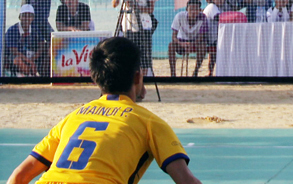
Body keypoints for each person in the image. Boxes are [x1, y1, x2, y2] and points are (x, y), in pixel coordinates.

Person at [7, 37, 202, 184]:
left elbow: (19, 176)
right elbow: (186, 180)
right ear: (137, 77)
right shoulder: (150, 122)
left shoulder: (74, 116)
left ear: (95, 79)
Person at [112, 0, 157, 76]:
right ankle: (130, 81)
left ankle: (142, 81)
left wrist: (136, 6)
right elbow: (114, 3)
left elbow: (151, 9)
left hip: (144, 24)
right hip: (128, 24)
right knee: (129, 56)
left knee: (144, 58)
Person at [25, 0, 63, 76]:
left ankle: (51, 72)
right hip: (33, 24)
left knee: (54, 42)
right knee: (39, 45)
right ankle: (33, 70)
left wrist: (68, 5)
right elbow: (25, 9)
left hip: (44, 23)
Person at [169, 0, 208, 77]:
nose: (193, 12)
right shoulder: (179, 16)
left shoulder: (203, 18)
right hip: (181, 41)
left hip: (196, 41)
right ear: (187, 9)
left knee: (203, 46)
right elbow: (174, 36)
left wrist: (192, 44)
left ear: (200, 10)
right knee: (171, 45)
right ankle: (173, 74)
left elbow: (201, 36)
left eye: (196, 9)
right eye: (191, 9)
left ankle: (196, 71)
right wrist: (181, 44)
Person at [3, 5, 44, 76]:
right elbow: (14, 51)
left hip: (32, 57)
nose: (27, 18)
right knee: (17, 60)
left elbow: (42, 46)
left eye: (29, 16)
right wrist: (30, 62)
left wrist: (33, 59)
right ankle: (31, 75)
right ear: (19, 17)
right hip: (17, 59)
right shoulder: (12, 30)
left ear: (33, 18)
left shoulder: (35, 30)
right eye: (24, 15)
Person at [203, 0, 226, 76]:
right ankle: (211, 73)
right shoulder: (212, 6)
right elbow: (218, 18)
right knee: (214, 54)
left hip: (218, 37)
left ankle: (213, 72)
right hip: (210, 38)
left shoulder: (221, 8)